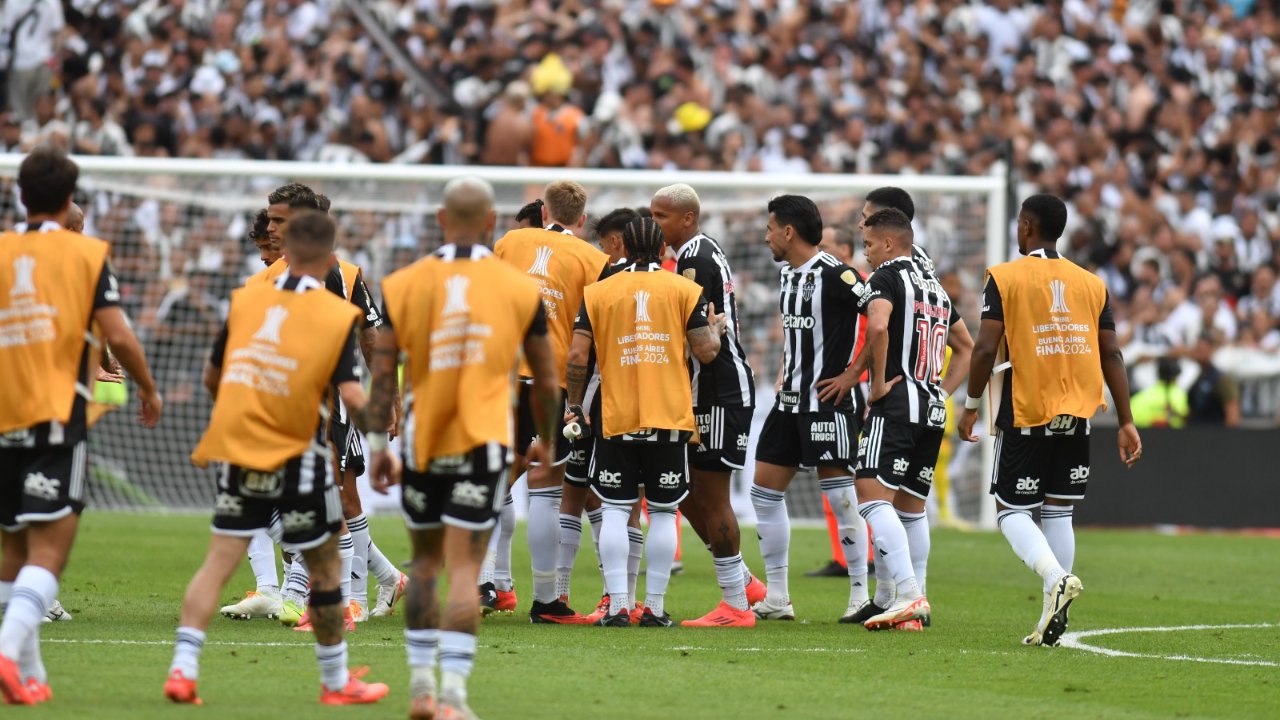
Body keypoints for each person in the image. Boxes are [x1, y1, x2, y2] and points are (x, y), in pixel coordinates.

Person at [165, 211, 389, 707]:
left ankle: (182, 670)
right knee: (325, 566)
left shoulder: (245, 301)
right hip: (297, 451)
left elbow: (212, 377)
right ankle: (336, 681)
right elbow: (351, 393)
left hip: (239, 447)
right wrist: (378, 441)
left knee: (217, 563)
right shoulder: (333, 315)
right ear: (329, 260)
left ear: (285, 253)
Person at [365, 176, 559, 719]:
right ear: (493, 222)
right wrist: (546, 439)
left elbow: (382, 372)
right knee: (465, 569)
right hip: (484, 443)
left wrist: (378, 443)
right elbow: (545, 378)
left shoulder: (403, 283)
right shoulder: (519, 288)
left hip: (424, 443)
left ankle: (420, 688)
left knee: (425, 565)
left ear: (441, 219)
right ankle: (453, 695)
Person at [0, 146, 162, 705]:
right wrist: (147, 386)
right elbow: (118, 334)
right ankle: (5, 650)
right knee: (50, 551)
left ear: (21, 195)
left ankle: (32, 676)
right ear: (69, 198)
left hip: (2, 417)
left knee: (13, 551)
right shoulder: (86, 254)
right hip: (53, 418)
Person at [959, 194, 1142, 647]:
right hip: (1078, 413)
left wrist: (971, 404)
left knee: (1010, 511)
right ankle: (1053, 616)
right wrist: (1126, 420)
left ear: (1026, 225)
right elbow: (1111, 353)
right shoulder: (1091, 284)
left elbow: (985, 348)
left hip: (1027, 408)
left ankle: (1056, 577)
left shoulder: (1004, 277)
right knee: (1059, 510)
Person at [566, 216, 725, 627]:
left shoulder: (598, 291)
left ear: (622, 246)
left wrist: (574, 405)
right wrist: (716, 329)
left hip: (616, 415)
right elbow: (706, 352)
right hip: (669, 414)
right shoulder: (684, 289)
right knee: (664, 511)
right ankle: (653, 608)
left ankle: (619, 605)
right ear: (660, 249)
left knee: (615, 511)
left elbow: (577, 356)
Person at [748, 195, 871, 624]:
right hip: (788, 402)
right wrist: (786, 369)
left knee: (840, 497)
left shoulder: (838, 274)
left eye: (770, 228)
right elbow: (797, 335)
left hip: (827, 402)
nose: (765, 236)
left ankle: (860, 595)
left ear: (789, 231)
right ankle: (778, 596)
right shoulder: (787, 275)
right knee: (763, 492)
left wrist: (854, 374)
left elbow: (883, 318)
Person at [493, 180, 610, 624]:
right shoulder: (593, 260)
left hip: (503, 377)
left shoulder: (510, 242)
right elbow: (593, 331)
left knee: (492, 479)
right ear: (583, 219)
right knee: (545, 488)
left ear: (544, 212)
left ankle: (478, 581)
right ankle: (546, 601)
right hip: (552, 383)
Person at [852, 208, 974, 631]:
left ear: (888, 243)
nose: (866, 254)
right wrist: (941, 392)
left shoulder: (886, 277)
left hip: (899, 404)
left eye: (869, 244)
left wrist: (877, 384)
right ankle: (916, 604)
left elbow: (878, 328)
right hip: (932, 408)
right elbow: (967, 348)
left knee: (870, 495)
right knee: (911, 508)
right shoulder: (934, 286)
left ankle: (907, 594)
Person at [649, 183, 765, 626]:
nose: (655, 224)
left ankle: (736, 605)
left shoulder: (694, 258)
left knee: (711, 495)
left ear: (688, 218)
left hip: (719, 389)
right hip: (707, 389)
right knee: (685, 490)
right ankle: (744, 583)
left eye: (661, 216)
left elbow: (699, 341)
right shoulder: (699, 251)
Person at [1130, 357, 1189, 428]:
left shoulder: (1140, 397)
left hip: (1144, 433)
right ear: (1175, 377)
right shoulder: (1180, 395)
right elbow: (1184, 418)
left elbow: (1131, 420)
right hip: (1176, 434)